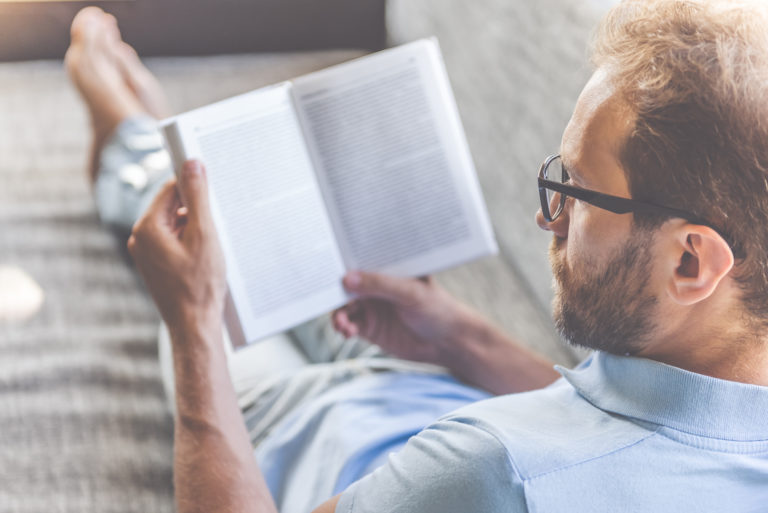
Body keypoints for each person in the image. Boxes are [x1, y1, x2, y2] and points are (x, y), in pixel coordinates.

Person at [66, 0, 768, 511]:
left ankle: (128, 139)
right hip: (432, 380)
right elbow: (622, 420)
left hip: (302, 425)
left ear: (690, 263)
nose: (547, 216)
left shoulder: (492, 474)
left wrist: (194, 331)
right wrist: (454, 334)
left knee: (199, 250)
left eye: (577, 191)